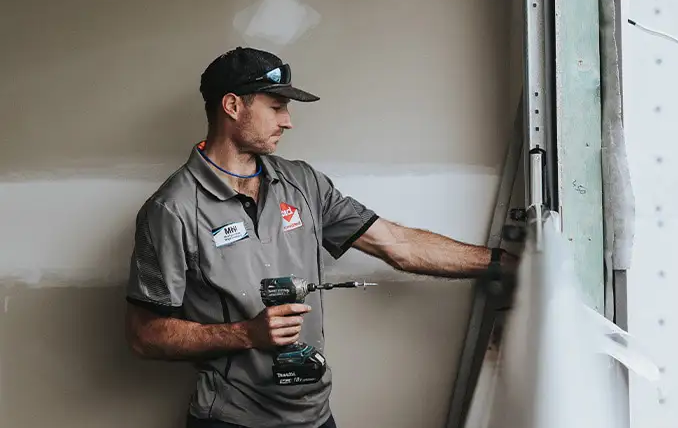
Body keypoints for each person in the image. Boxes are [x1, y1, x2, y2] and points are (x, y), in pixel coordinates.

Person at [123, 46, 519, 428]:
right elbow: (145, 335)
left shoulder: (303, 183)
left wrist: (503, 263)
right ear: (232, 106)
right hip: (231, 419)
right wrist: (246, 335)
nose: (288, 121)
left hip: (314, 416)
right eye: (276, 107)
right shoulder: (171, 210)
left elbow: (397, 244)